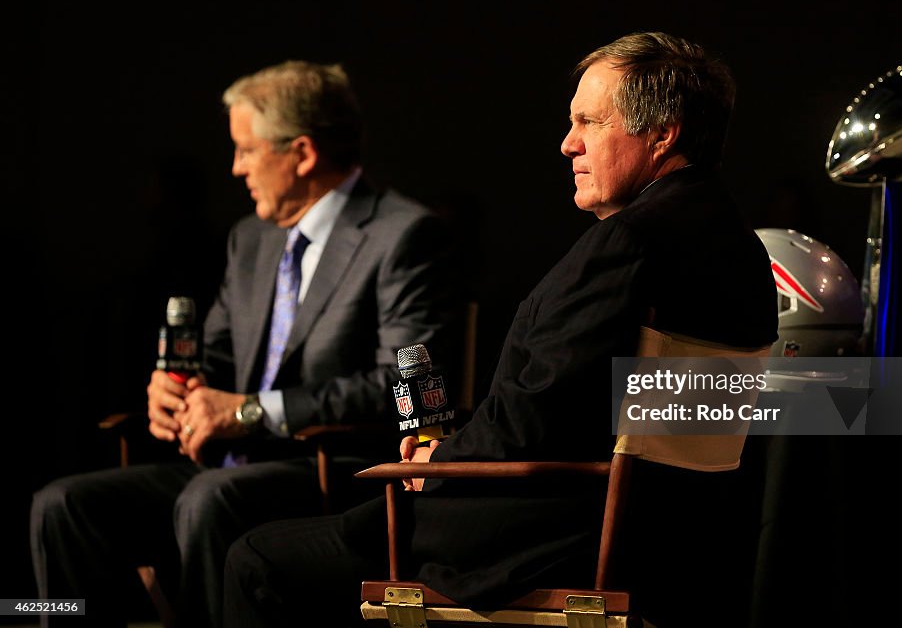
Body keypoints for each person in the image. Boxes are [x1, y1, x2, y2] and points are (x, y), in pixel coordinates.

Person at [222, 32, 779, 627]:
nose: (568, 144)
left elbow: (532, 420)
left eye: (589, 123)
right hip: (678, 545)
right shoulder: (742, 250)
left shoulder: (630, 243)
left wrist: (435, 463)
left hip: (546, 540)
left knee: (256, 559)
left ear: (662, 133)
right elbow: (584, 409)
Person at [30, 60, 459, 628]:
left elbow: (400, 385)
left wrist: (252, 410)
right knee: (62, 507)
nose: (236, 168)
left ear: (302, 153)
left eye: (247, 150)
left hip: (335, 468)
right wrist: (177, 392)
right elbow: (216, 361)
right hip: (231, 463)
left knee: (208, 499)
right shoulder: (251, 238)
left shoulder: (403, 235)